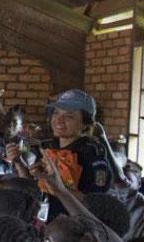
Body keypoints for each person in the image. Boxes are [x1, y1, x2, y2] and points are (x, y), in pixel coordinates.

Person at [9, 89, 112, 219]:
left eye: (69, 116)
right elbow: (35, 189)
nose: (59, 120)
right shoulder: (49, 147)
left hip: (71, 228)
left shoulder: (92, 153)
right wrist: (19, 162)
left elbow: (95, 202)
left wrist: (56, 187)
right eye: (56, 113)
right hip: (45, 223)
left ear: (85, 123)